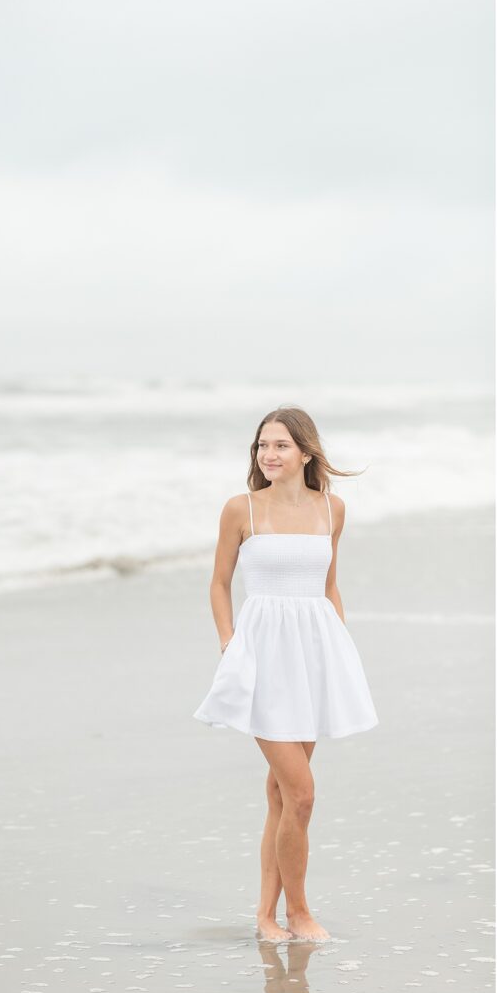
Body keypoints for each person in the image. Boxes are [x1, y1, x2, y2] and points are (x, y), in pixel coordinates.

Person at [192, 405, 379, 944]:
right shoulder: (240, 510)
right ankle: (298, 912)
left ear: (306, 452)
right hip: (262, 658)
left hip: (315, 656)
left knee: (280, 795)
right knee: (301, 794)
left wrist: (339, 651)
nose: (268, 455)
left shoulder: (333, 510)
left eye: (279, 446)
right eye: (261, 446)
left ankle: (265, 916)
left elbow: (329, 585)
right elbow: (219, 585)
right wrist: (231, 646)